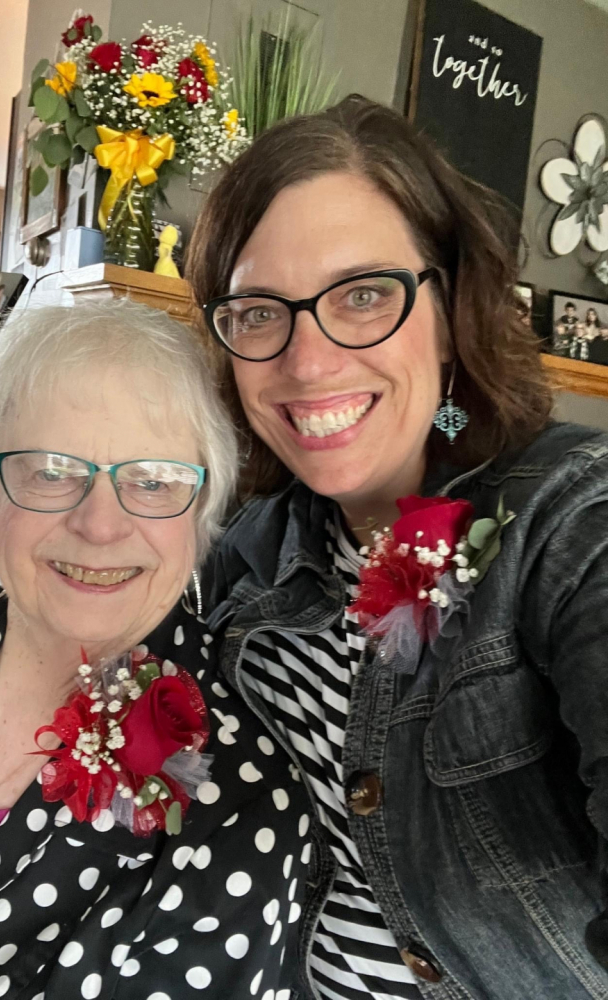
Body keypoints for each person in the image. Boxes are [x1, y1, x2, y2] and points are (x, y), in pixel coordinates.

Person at [186, 95, 608, 1000]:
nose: (307, 361)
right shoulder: (252, 544)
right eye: (261, 311)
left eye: (365, 294)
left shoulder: (569, 519)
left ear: (451, 309)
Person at [0, 299, 311, 997]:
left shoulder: (240, 803)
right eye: (49, 470)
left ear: (203, 511)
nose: (100, 525)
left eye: (154, 481)